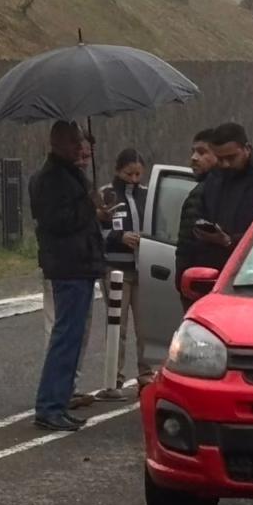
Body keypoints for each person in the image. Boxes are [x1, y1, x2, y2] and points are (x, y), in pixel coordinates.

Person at [29, 120, 108, 432]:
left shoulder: (69, 174)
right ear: (58, 142)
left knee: (73, 338)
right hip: (68, 264)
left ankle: (58, 403)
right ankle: (49, 406)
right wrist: (88, 207)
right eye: (75, 142)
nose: (81, 148)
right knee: (66, 337)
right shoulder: (50, 178)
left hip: (79, 262)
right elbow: (57, 221)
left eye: (81, 142)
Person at [191, 122, 253, 276]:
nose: (225, 164)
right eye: (220, 158)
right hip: (214, 275)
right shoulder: (214, 179)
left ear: (246, 149)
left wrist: (230, 241)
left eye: (231, 157)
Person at [98, 148, 150, 397]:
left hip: (145, 269)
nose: (134, 179)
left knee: (146, 327)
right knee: (117, 327)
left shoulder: (148, 195)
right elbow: (98, 231)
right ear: (118, 170)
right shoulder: (106, 194)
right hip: (116, 269)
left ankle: (146, 376)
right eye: (129, 173)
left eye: (138, 174)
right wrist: (120, 236)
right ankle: (114, 379)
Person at [175, 128, 220, 312]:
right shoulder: (201, 192)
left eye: (201, 152)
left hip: (202, 287)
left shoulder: (204, 194)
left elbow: (187, 246)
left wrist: (182, 283)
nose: (194, 158)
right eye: (193, 152)